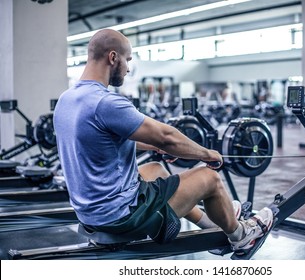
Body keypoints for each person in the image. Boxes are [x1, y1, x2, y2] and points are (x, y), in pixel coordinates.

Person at [54, 29, 273, 256]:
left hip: (89, 213)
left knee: (155, 170)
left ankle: (212, 224)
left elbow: (101, 139)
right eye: (127, 61)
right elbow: (166, 136)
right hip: (119, 216)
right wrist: (206, 154)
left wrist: (154, 147)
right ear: (112, 58)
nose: (128, 69)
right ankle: (241, 235)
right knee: (209, 178)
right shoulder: (106, 102)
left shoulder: (67, 99)